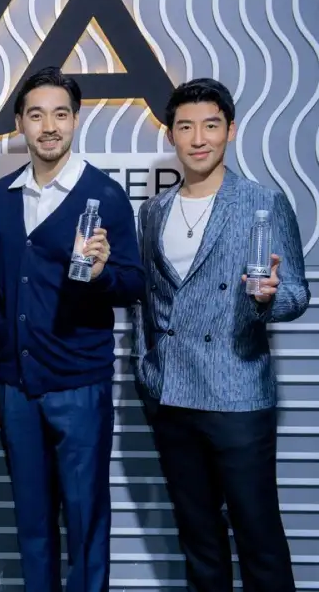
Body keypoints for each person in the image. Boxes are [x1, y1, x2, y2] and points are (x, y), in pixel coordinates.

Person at [130, 78, 307, 592]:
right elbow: (149, 299)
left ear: (230, 130)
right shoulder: (154, 211)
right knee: (199, 540)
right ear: (171, 135)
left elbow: (297, 294)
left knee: (259, 537)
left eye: (210, 125)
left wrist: (269, 298)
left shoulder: (262, 201)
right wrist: (147, 367)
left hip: (237, 394)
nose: (198, 138)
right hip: (171, 396)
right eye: (185, 127)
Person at [0, 66, 144, 592]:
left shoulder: (105, 195)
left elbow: (133, 284)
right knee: (32, 524)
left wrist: (100, 274)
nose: (49, 126)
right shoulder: (1, 197)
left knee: (86, 519)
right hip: (16, 386)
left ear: (75, 120)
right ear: (20, 124)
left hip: (80, 385)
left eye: (60, 115)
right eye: (36, 115)